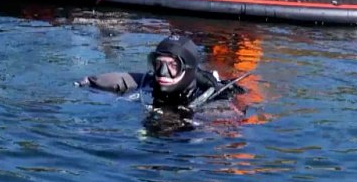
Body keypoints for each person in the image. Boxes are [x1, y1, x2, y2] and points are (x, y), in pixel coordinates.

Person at [76, 36, 248, 133]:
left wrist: (184, 119)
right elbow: (116, 79)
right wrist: (86, 82)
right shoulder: (149, 83)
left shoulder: (213, 98)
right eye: (159, 64)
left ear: (187, 69)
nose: (163, 73)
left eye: (173, 66)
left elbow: (227, 124)